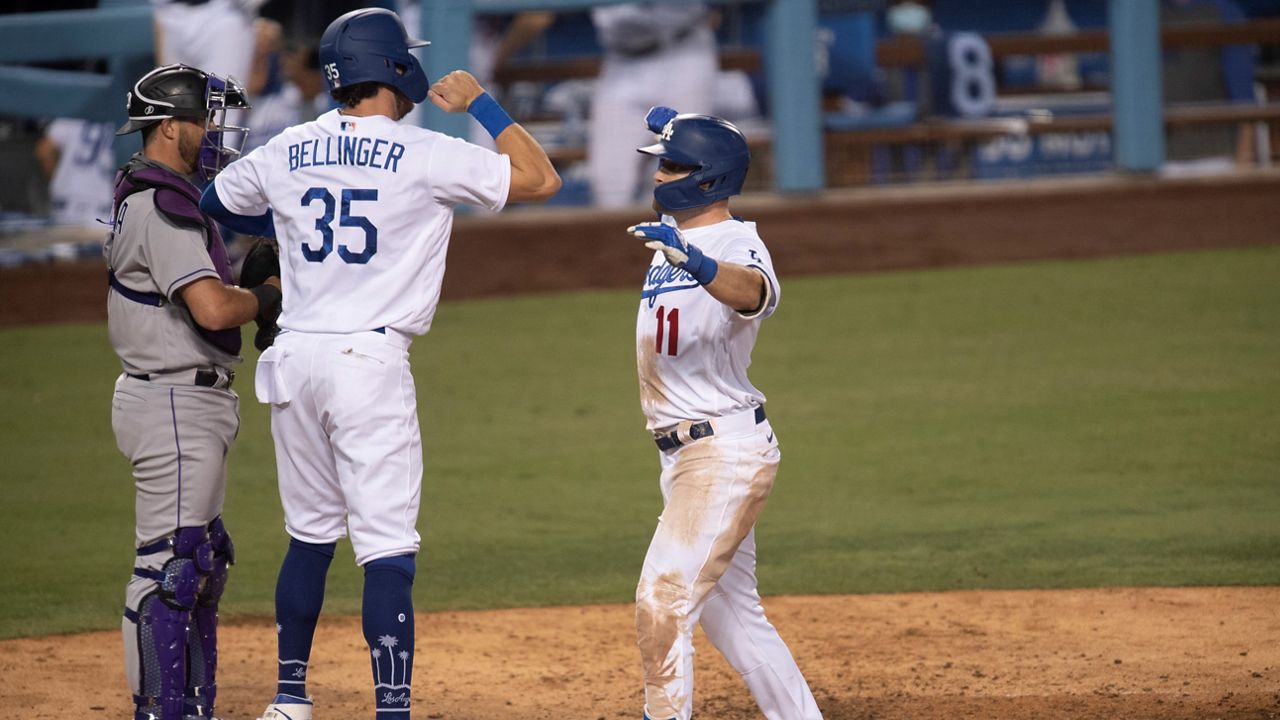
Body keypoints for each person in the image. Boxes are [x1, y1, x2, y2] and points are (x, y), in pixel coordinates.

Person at [198, 8, 560, 720]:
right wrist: (481, 102)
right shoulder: (424, 151)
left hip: (295, 359)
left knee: (309, 535)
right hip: (368, 362)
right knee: (387, 547)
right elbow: (539, 178)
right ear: (394, 67)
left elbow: (215, 201)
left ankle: (290, 699)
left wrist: (293, 223)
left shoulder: (288, 146)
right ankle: (390, 710)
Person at [625, 107, 823, 720]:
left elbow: (755, 294)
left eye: (673, 165)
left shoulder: (735, 243)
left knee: (662, 602)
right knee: (733, 616)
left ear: (707, 179)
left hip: (724, 453)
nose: (659, 177)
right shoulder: (670, 243)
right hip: (687, 456)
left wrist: (698, 261)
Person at [106, 63, 280, 720]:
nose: (214, 132)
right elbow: (210, 309)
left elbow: (189, 300)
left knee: (200, 561)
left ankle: (191, 705)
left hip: (181, 400)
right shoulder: (163, 206)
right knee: (172, 570)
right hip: (172, 403)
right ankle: (162, 711)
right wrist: (264, 296)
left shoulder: (153, 197)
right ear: (170, 126)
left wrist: (244, 289)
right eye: (204, 119)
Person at [589, 2, 718, 207]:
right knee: (608, 183)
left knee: (683, 177)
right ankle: (626, 238)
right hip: (620, 57)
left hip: (682, 50)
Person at [34, 117, 116, 229]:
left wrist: (58, 178)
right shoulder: (123, 116)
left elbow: (45, 150)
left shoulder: (77, 111)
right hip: (103, 209)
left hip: (67, 202)